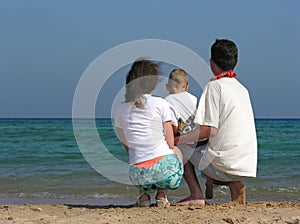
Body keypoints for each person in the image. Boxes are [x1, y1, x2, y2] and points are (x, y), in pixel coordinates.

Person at [175, 39, 257, 205]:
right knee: (205, 145)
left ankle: (196, 195)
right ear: (236, 62)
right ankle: (232, 184)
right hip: (246, 163)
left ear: (212, 63)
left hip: (225, 164)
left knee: (182, 147)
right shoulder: (242, 88)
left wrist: (177, 139)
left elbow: (208, 130)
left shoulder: (214, 87)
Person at [114, 59, 183, 208]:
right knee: (175, 151)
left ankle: (144, 196)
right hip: (165, 174)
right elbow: (170, 143)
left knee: (137, 154)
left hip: (137, 175)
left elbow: (127, 146)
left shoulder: (120, 109)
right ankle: (162, 194)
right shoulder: (161, 104)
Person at [164, 68, 207, 206]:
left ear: (168, 86)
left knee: (183, 161)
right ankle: (210, 183)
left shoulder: (167, 101)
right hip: (202, 139)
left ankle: (196, 193)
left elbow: (172, 126)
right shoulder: (193, 98)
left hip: (187, 142)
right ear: (186, 86)